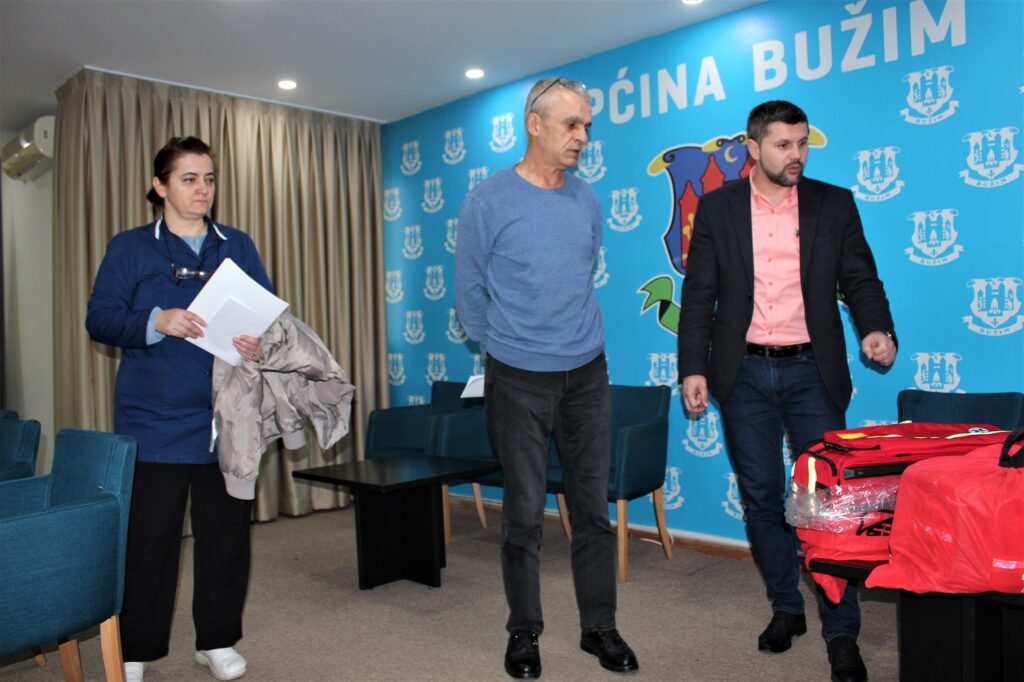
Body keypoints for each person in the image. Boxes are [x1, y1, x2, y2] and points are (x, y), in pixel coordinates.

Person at [677, 101, 896, 682]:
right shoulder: (718, 208)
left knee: (827, 503)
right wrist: (692, 367)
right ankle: (786, 607)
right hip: (743, 374)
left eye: (802, 144)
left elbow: (860, 277)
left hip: (812, 373)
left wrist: (876, 328)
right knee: (761, 497)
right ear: (753, 148)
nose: (796, 155)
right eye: (783, 145)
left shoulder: (834, 203)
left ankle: (841, 632)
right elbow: (699, 295)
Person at [455, 77, 638, 680]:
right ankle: (524, 631)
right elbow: (469, 291)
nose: (582, 136)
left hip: (587, 373)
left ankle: (599, 628)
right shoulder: (488, 200)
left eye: (587, 126)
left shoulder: (588, 199)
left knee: (591, 510)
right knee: (525, 514)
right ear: (534, 124)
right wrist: (502, 349)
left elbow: (582, 274)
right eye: (571, 124)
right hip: (517, 377)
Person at [86, 136, 272, 682]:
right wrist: (156, 320)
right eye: (189, 179)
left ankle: (217, 641)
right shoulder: (130, 248)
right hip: (155, 420)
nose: (202, 189)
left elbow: (266, 317)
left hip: (226, 419)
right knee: (150, 541)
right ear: (160, 185)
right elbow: (100, 318)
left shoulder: (237, 245)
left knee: (226, 537)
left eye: (209, 178)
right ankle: (137, 648)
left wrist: (257, 341)